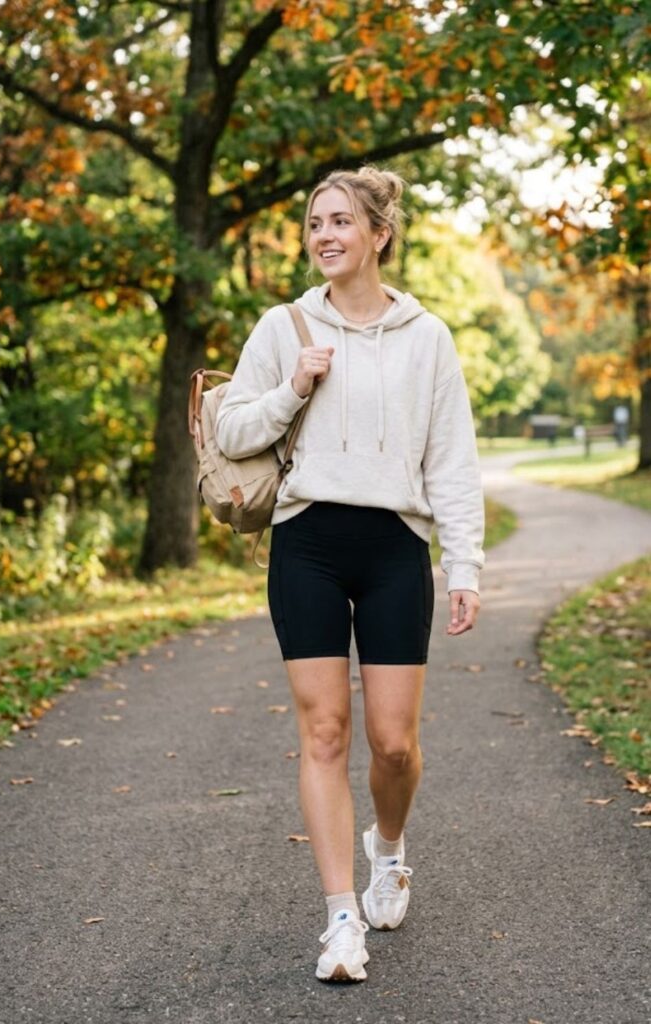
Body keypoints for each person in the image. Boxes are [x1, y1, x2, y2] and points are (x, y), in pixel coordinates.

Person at [215, 166, 484, 983]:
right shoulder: (283, 325)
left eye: (340, 222)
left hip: (395, 546)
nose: (324, 235)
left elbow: (452, 459)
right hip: (306, 542)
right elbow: (229, 431)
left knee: (393, 743)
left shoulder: (425, 335)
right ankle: (339, 922)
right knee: (324, 732)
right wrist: (292, 389)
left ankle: (388, 850)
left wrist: (463, 561)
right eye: (313, 224)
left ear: (378, 233)